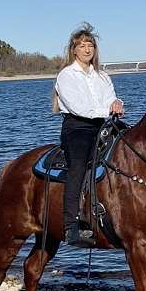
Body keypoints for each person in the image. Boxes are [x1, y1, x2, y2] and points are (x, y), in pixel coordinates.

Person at [52, 23, 124, 247]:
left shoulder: (102, 76)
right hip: (78, 128)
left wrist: (117, 103)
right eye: (82, 46)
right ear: (74, 50)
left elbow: (111, 98)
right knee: (79, 166)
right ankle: (71, 225)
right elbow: (79, 108)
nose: (87, 49)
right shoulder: (66, 76)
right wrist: (107, 109)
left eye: (90, 45)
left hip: (103, 125)